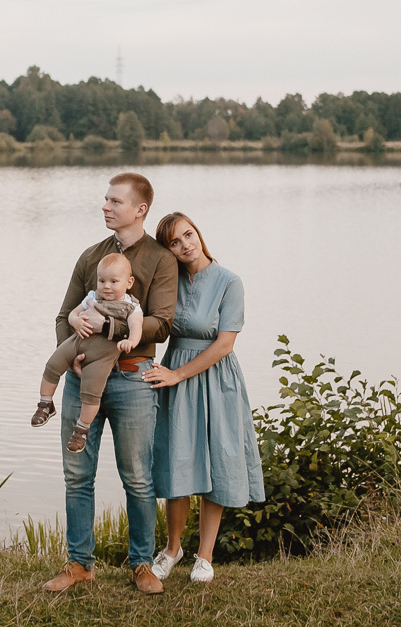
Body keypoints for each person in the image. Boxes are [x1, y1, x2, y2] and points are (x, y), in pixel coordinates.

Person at [41, 173, 178, 596]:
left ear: (140, 209)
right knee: (77, 475)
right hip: (82, 379)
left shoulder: (161, 260)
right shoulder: (91, 257)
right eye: (105, 199)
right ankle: (80, 564)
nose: (105, 206)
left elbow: (162, 324)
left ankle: (142, 564)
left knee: (137, 478)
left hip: (133, 380)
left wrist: (110, 326)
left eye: (115, 201)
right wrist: (71, 348)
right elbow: (64, 315)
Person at [143, 212, 264, 584]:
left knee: (217, 463)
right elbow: (147, 321)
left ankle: (205, 557)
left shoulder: (229, 282)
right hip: (175, 379)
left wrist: (178, 374)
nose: (185, 245)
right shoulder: (170, 281)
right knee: (177, 463)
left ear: (198, 232)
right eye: (174, 243)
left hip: (215, 379)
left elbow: (225, 344)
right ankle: (172, 549)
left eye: (188, 235)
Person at [32, 253, 143, 453]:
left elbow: (136, 326)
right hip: (77, 342)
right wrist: (75, 321)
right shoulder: (92, 297)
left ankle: (81, 429)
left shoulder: (131, 307)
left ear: (129, 283)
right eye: (102, 281)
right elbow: (72, 314)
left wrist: (131, 341)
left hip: (102, 356)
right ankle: (45, 403)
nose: (106, 286)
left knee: (91, 393)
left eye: (113, 281)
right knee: (53, 365)